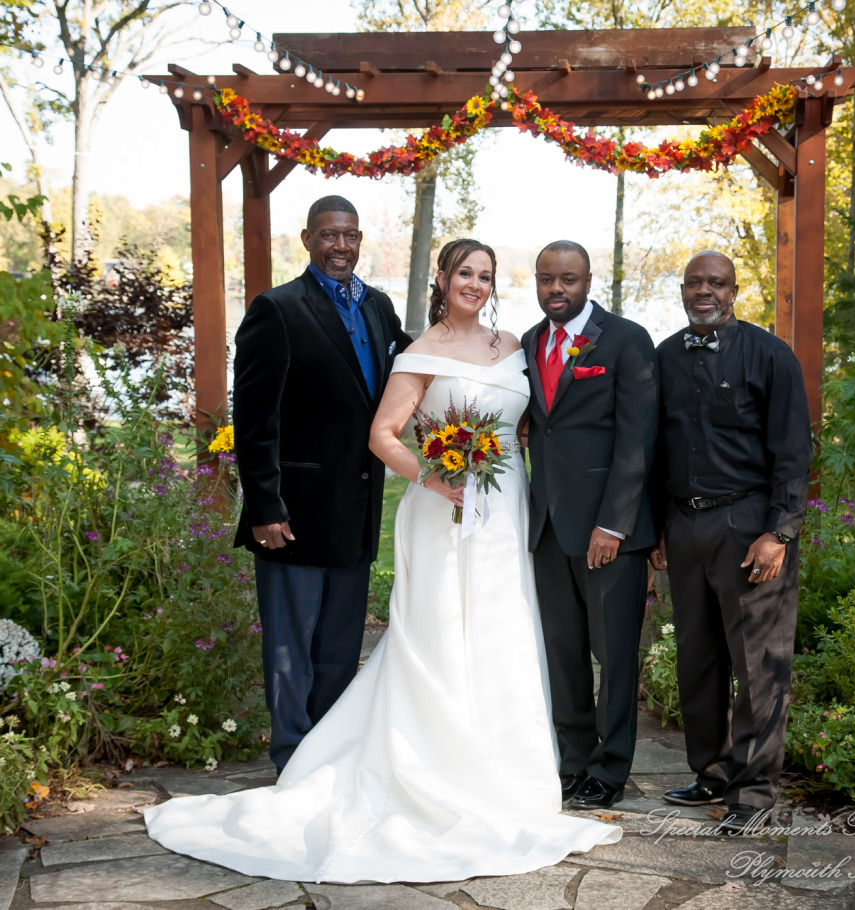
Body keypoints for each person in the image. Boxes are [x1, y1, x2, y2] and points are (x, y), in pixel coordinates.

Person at [144, 239, 621, 882]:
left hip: (505, 512)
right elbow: (382, 434)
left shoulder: (512, 346)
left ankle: (506, 768)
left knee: (502, 630)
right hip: (442, 504)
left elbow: (533, 420)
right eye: (464, 274)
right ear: (444, 280)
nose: (475, 285)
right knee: (439, 634)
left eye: (485, 275)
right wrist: (432, 475)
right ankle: (430, 766)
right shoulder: (417, 352)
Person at [230, 195, 412, 774]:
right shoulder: (276, 310)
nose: (341, 246)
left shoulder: (379, 308)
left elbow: (418, 367)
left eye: (351, 236)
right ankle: (291, 760)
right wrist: (264, 503)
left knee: (338, 650)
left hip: (356, 510)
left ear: (361, 241)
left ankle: (328, 759)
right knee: (291, 650)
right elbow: (254, 420)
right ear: (307, 239)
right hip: (293, 513)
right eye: (330, 235)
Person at [650, 250, 812, 834]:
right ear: (683, 289)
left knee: (759, 662)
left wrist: (780, 531)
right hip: (686, 526)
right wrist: (658, 528)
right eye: (694, 281)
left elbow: (794, 449)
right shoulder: (664, 356)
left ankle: (755, 792)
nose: (703, 291)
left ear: (734, 290)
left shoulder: (770, 355)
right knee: (698, 658)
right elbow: (656, 452)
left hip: (750, 529)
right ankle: (711, 772)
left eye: (715, 283)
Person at [521, 241, 659, 811]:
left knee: (615, 654)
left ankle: (611, 767)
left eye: (569, 278)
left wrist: (615, 525)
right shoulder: (529, 342)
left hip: (609, 532)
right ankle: (572, 761)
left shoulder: (626, 340)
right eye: (548, 278)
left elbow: (638, 439)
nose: (558, 288)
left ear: (587, 280)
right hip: (548, 527)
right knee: (564, 653)